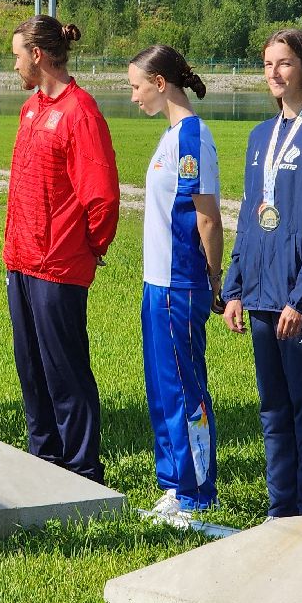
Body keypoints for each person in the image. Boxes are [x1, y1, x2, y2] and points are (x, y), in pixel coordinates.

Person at [222, 29, 302, 518]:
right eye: (268, 64)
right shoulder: (259, 136)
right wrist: (234, 287)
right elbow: (251, 217)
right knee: (273, 411)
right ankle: (280, 511)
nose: (274, 73)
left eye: (285, 63)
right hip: (259, 297)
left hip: (298, 302)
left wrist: (299, 298)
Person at [2, 16, 120, 483]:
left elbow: (102, 195)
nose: (13, 65)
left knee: (64, 370)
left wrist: (86, 246)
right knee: (30, 368)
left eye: (17, 55)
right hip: (22, 260)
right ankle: (43, 459)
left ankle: (82, 467)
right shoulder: (32, 108)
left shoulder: (80, 111)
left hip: (59, 265)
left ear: (38, 55)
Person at [126, 45, 226, 520]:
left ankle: (198, 492)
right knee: (164, 389)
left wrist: (213, 277)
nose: (133, 96)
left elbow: (207, 218)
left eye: (136, 86)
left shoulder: (192, 138)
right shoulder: (170, 137)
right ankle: (175, 485)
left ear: (160, 83)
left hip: (180, 284)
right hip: (157, 284)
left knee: (186, 390)